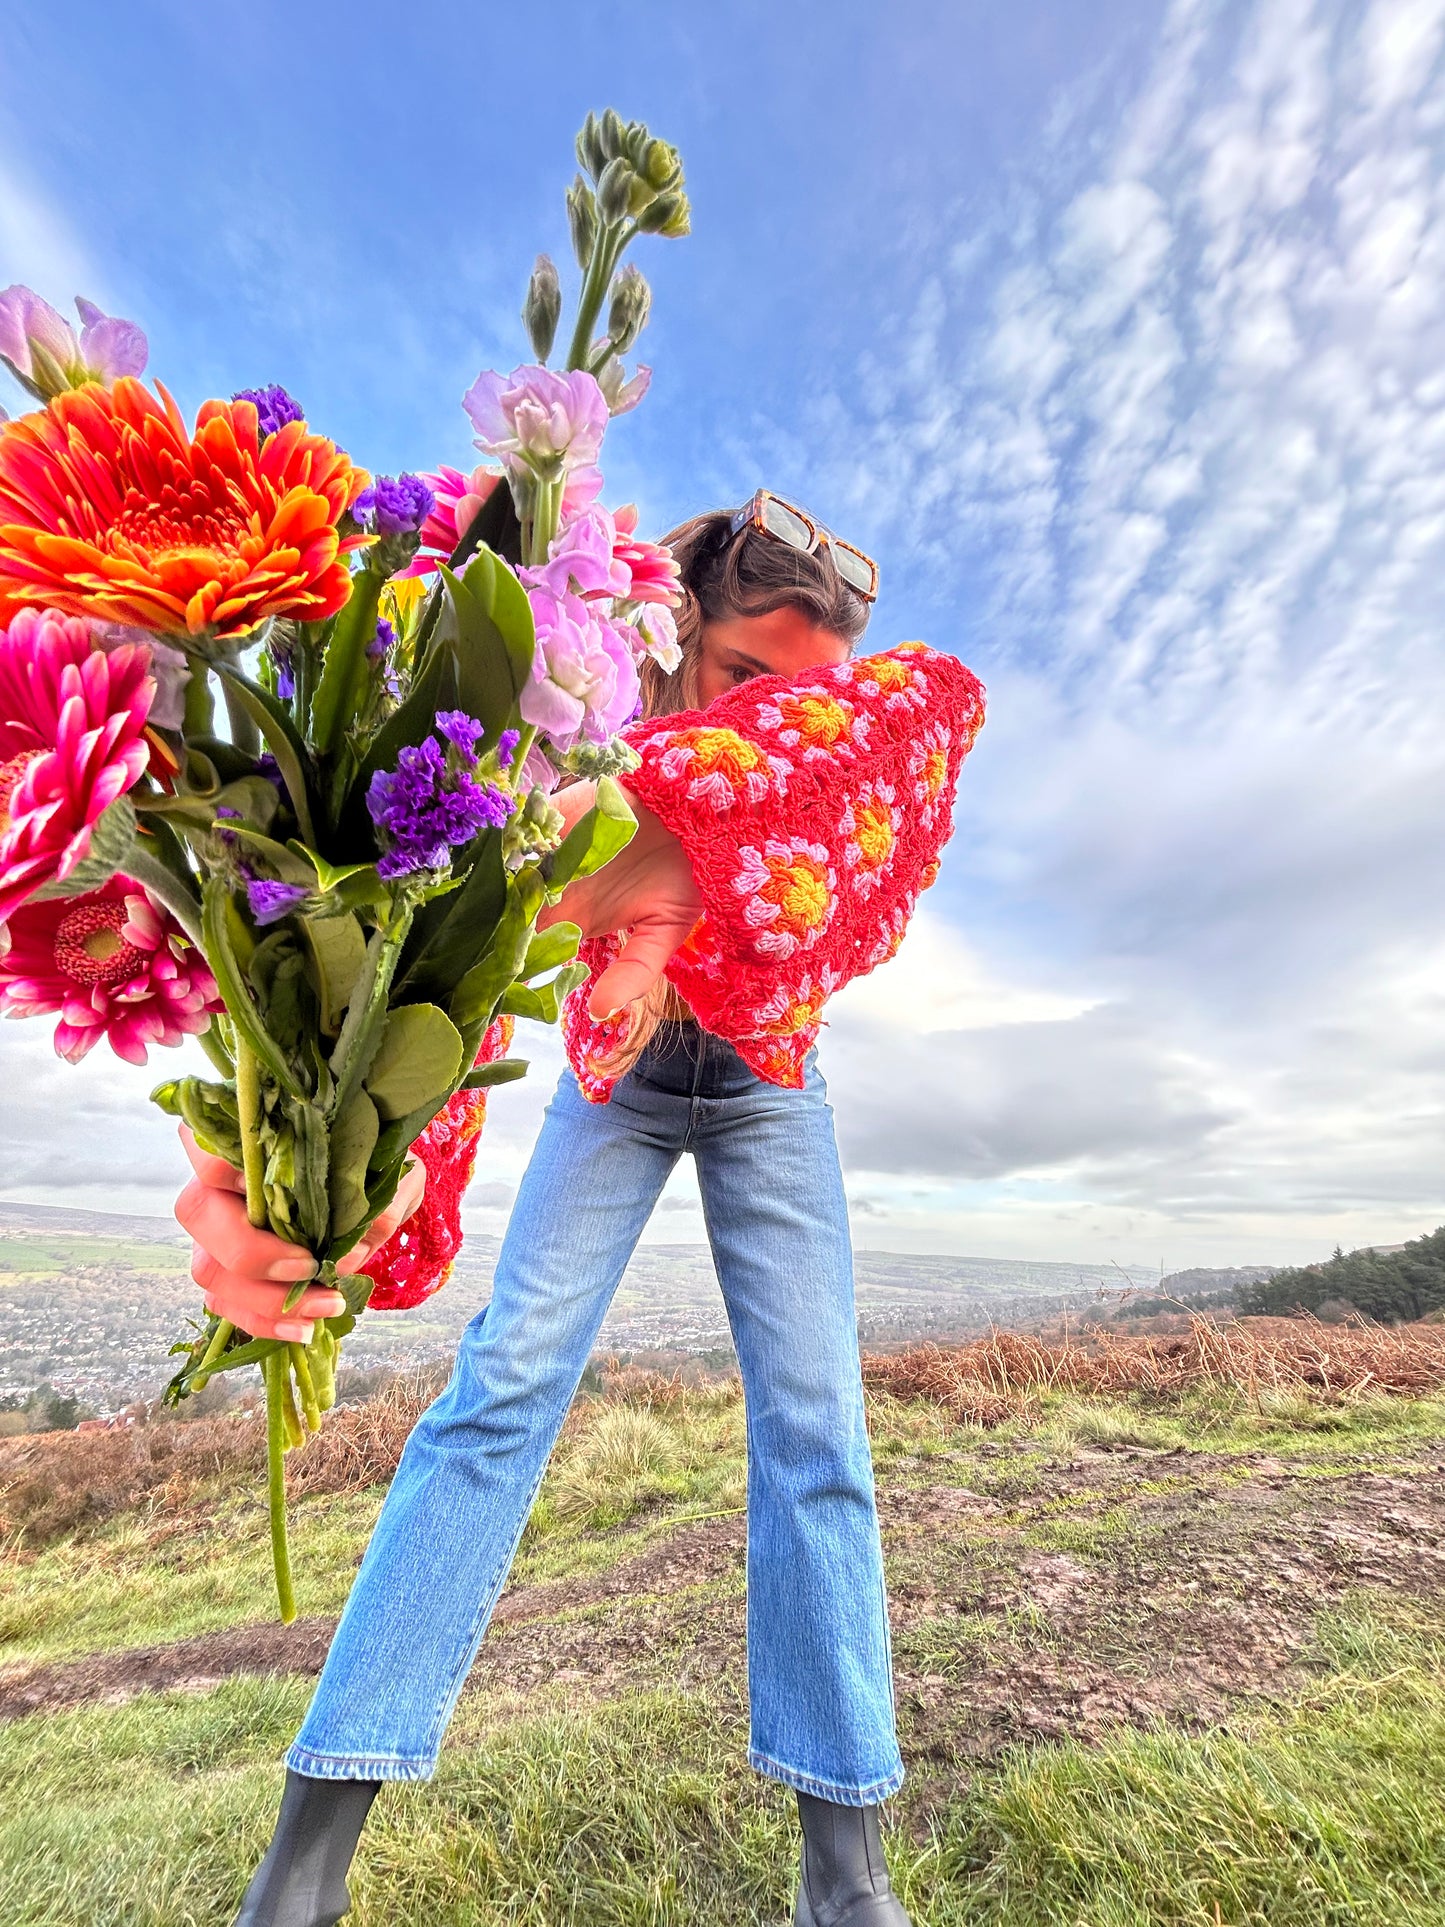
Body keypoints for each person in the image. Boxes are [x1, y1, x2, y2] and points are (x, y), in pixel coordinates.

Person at [178, 497, 986, 1927]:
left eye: (800, 701)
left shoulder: (838, 739)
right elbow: (448, 1003)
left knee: (816, 1432)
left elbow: (928, 701)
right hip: (613, 1092)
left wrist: (675, 839)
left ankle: (845, 1878)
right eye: (745, 682)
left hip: (766, 1089)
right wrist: (358, 1166)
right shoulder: (575, 777)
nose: (772, 732)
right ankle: (300, 1866)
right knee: (495, 1398)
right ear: (675, 640)